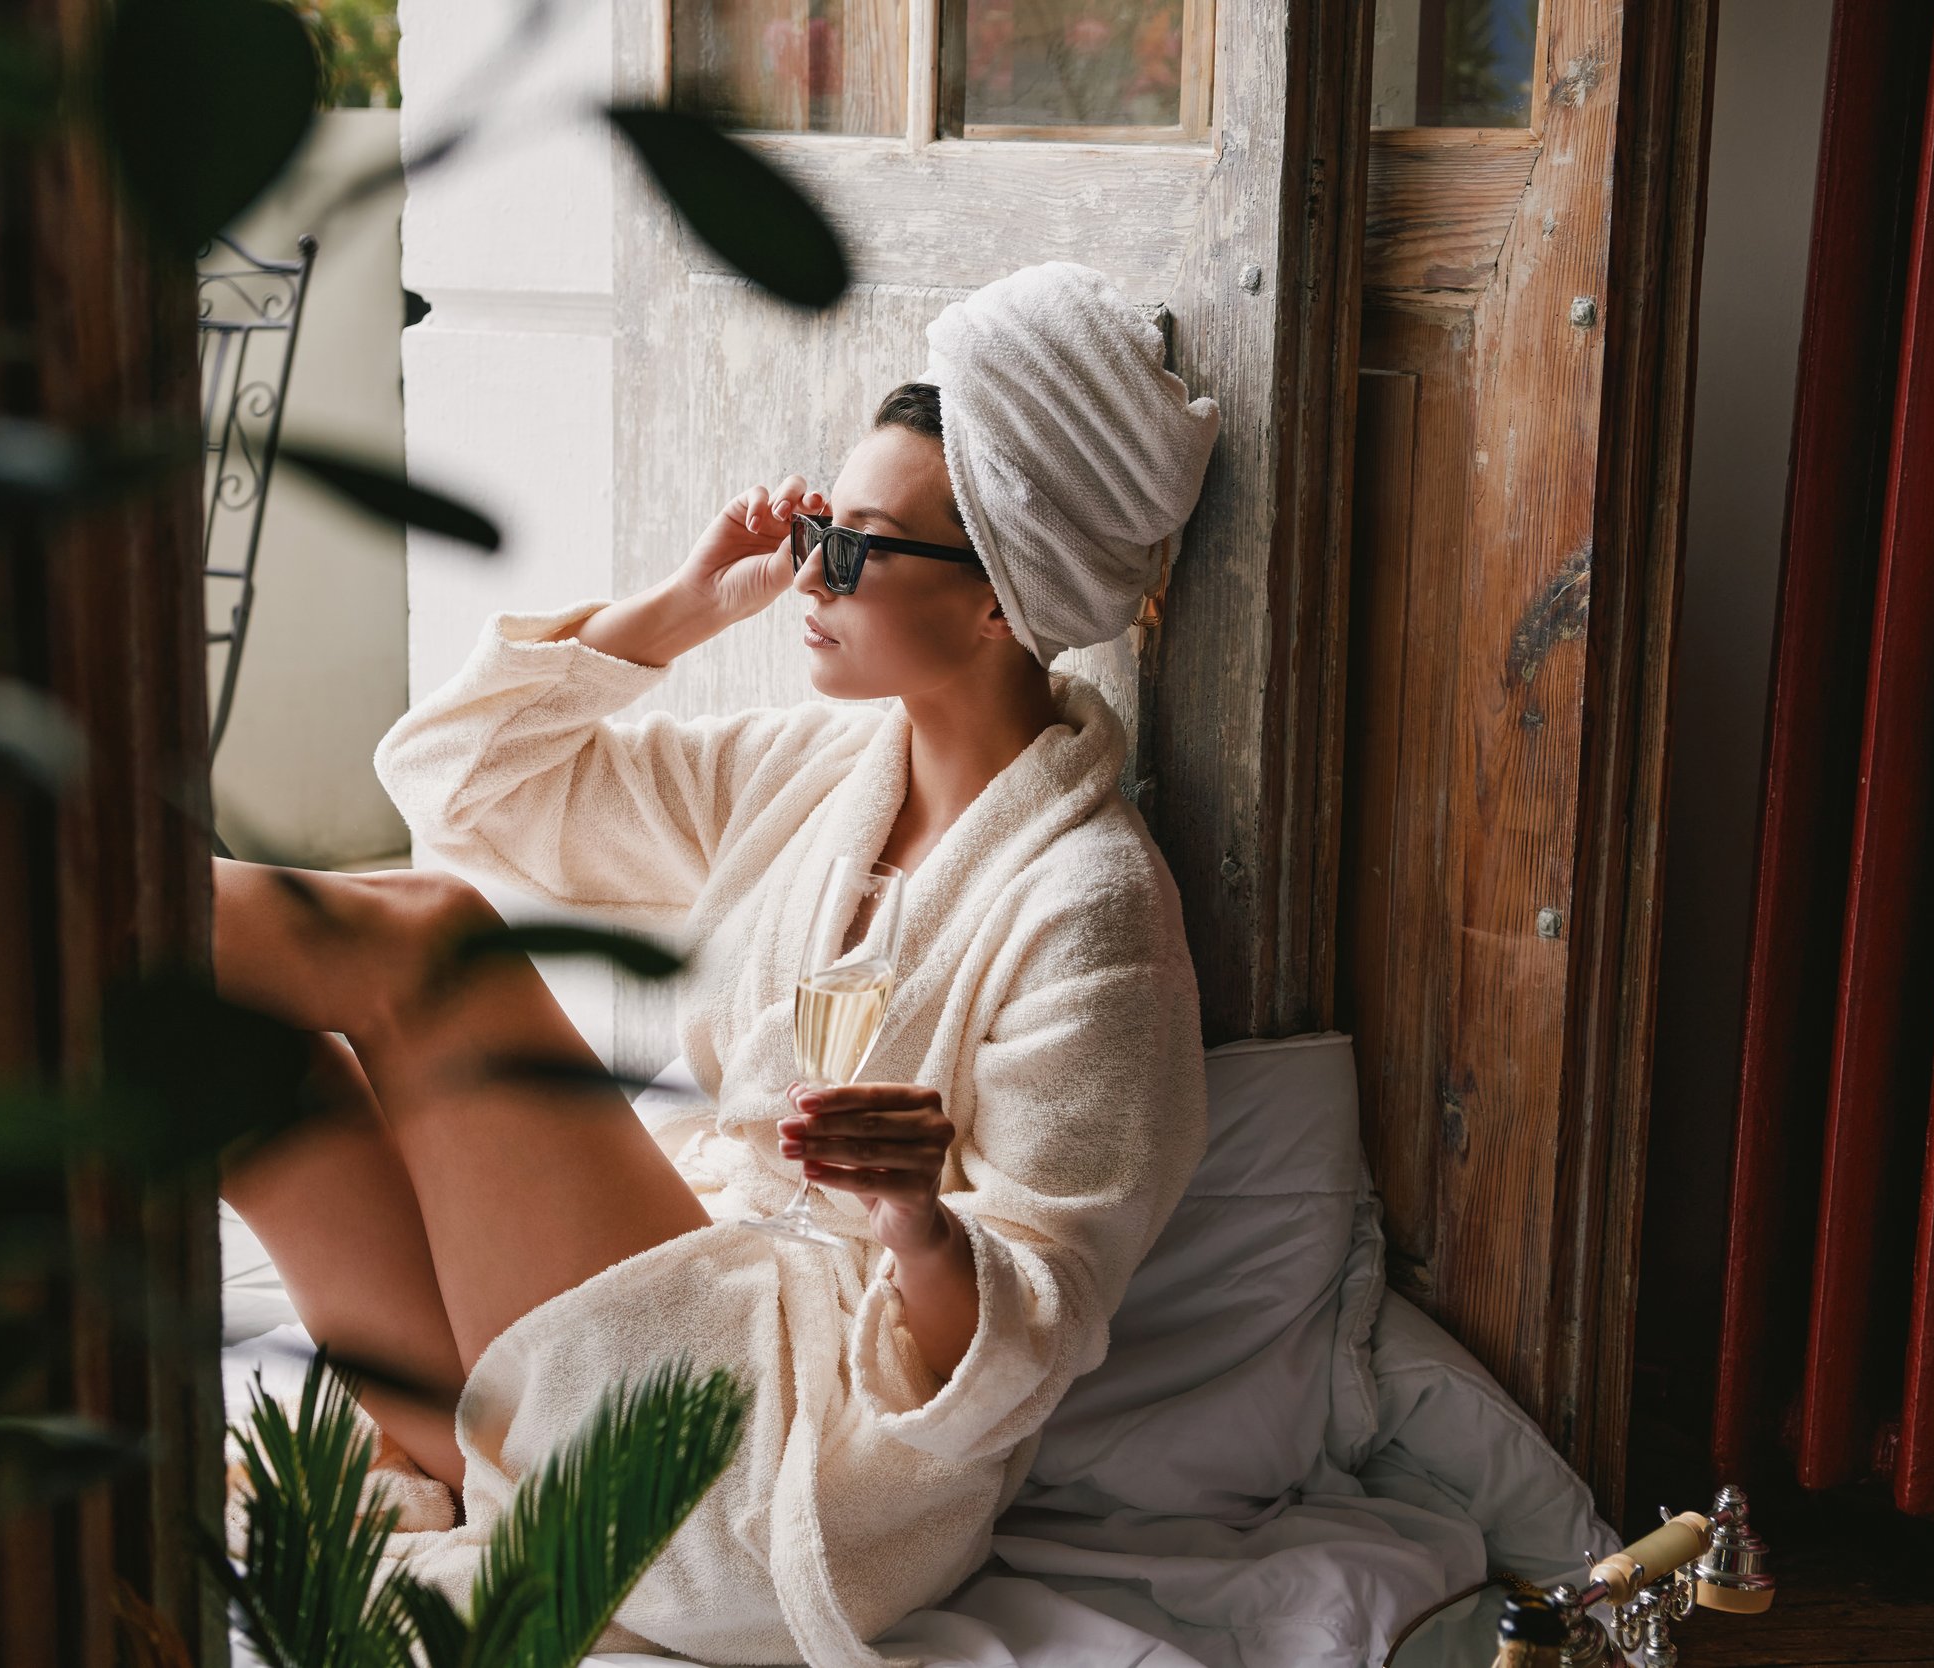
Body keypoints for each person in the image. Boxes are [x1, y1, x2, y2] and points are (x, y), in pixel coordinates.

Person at [212, 261, 1222, 1668]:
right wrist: (684, 609)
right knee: (227, 1064)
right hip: (632, 1363)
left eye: (856, 551)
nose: (809, 572)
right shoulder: (822, 774)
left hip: (780, 1473)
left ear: (1001, 602)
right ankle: (429, 1444)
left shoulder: (1091, 912)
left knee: (427, 939)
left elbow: (1032, 1330)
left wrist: (918, 1218)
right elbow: (458, 778)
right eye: (819, 525)